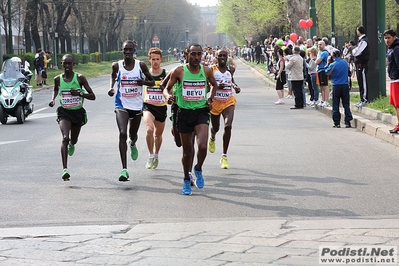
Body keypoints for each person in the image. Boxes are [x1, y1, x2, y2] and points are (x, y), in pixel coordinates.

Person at [163, 43, 218, 195]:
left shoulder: (206, 71)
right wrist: (168, 97)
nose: (196, 57)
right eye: (193, 54)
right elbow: (166, 88)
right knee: (187, 152)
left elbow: (214, 85)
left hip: (201, 111)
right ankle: (186, 179)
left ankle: (198, 168)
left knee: (202, 146)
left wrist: (210, 99)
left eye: (199, 54)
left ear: (202, 55)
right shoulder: (179, 71)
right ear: (187, 54)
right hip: (183, 112)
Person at [108, 40, 155, 182]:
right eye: (125, 50)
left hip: (136, 106)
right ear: (121, 50)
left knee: (132, 135)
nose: (127, 52)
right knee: (122, 133)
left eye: (130, 49)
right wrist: (111, 87)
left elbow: (152, 81)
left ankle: (133, 143)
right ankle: (124, 169)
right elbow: (113, 76)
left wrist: (143, 82)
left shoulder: (140, 65)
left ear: (134, 50)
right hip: (121, 104)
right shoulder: (116, 66)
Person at [48, 54, 96, 181]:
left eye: (70, 63)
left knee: (73, 140)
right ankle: (65, 169)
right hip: (64, 112)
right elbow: (55, 89)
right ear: (62, 64)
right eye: (65, 63)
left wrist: (80, 93)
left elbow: (92, 95)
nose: (67, 66)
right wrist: (52, 99)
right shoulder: (58, 79)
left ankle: (72, 144)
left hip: (77, 113)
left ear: (73, 64)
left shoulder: (80, 78)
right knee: (65, 137)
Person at [208, 49, 241, 169]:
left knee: (228, 126)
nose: (222, 57)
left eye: (224, 56)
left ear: (227, 57)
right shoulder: (211, 69)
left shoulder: (230, 69)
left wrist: (235, 87)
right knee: (215, 127)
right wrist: (216, 85)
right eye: (220, 55)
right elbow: (208, 84)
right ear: (216, 57)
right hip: (215, 101)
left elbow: (231, 81)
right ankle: (212, 136)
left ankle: (224, 156)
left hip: (228, 101)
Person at [143, 47, 167, 169]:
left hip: (161, 108)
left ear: (161, 59)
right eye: (153, 59)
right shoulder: (145, 74)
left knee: (158, 135)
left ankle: (156, 154)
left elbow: (170, 90)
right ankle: (151, 155)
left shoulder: (165, 74)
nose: (155, 62)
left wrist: (166, 88)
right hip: (148, 106)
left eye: (157, 59)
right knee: (149, 130)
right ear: (149, 60)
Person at [325, 49, 353, 128]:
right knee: (346, 104)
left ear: (333, 56)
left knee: (336, 104)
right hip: (345, 85)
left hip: (336, 85)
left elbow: (327, 72)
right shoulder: (345, 62)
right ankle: (348, 121)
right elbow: (349, 71)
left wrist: (328, 63)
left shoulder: (332, 64)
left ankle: (337, 122)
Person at [383, 29, 399, 134]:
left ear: (394, 37)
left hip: (397, 79)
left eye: (389, 37)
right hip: (394, 78)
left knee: (398, 104)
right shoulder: (391, 48)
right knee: (395, 104)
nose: (387, 40)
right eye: (385, 38)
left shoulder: (396, 48)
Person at [352, 25, 370, 107]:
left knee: (363, 82)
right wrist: (356, 51)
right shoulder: (361, 41)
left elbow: (356, 52)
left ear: (359, 31)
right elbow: (356, 52)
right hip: (359, 64)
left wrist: (355, 51)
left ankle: (365, 99)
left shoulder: (364, 41)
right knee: (360, 82)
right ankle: (362, 99)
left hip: (362, 64)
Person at [316, 40, 330, 107]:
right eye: (318, 44)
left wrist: (315, 60)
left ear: (324, 45)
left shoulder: (324, 53)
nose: (319, 46)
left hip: (323, 70)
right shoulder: (320, 52)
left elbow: (317, 61)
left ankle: (326, 100)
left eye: (321, 44)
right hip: (319, 70)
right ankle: (323, 100)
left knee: (325, 86)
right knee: (321, 86)